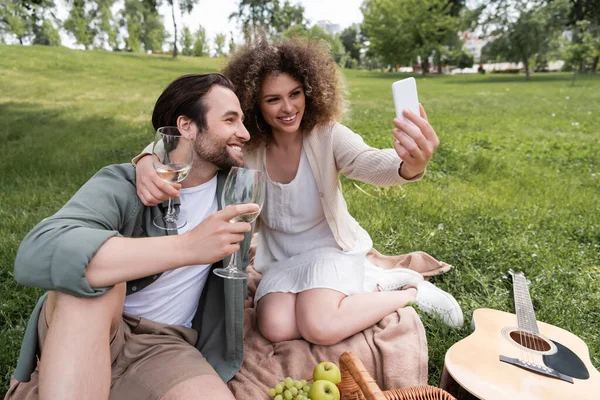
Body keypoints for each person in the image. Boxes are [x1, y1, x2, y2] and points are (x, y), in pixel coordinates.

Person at [135, 38, 464, 347]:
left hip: (330, 249)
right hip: (281, 259)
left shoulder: (326, 135)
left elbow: (371, 163)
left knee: (318, 325)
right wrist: (147, 160)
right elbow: (184, 142)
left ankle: (410, 291)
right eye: (273, 99)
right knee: (275, 328)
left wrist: (411, 163)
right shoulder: (249, 146)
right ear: (254, 104)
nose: (288, 107)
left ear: (310, 91)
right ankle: (368, 284)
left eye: (295, 93)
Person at [5, 73, 259, 400]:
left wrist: (151, 155)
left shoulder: (238, 191)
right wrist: (188, 247)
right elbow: (36, 253)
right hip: (92, 323)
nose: (244, 132)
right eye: (230, 120)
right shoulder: (125, 184)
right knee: (97, 286)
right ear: (187, 126)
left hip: (165, 346)